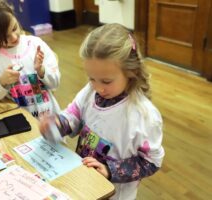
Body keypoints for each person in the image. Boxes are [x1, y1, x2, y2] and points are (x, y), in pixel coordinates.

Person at [39, 23, 165, 200]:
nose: (98, 88)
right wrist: (57, 124)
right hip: (83, 181)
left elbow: (151, 161)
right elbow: (73, 116)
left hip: (114, 193)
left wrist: (109, 170)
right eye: (92, 78)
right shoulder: (90, 91)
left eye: (106, 81)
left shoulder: (144, 116)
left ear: (131, 72)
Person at [0, 0, 60, 118]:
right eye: (5, 37)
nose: (14, 37)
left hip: (50, 118)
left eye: (14, 28)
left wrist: (42, 70)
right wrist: (1, 82)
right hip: (19, 123)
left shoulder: (35, 44)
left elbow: (55, 82)